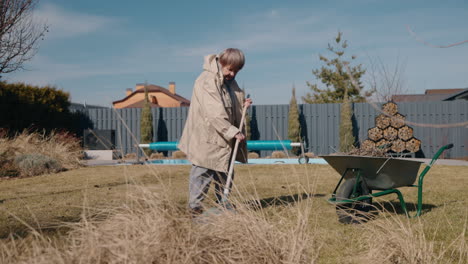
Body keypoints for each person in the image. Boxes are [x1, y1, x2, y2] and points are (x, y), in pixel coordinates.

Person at [178, 48, 252, 215]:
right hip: (207, 136)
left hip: (223, 137)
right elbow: (214, 112)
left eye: (236, 71)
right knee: (203, 171)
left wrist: (243, 103)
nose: (233, 74)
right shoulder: (207, 81)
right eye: (230, 69)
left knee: (224, 170)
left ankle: (221, 205)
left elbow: (231, 105)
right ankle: (194, 209)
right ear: (221, 63)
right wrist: (232, 131)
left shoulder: (228, 82)